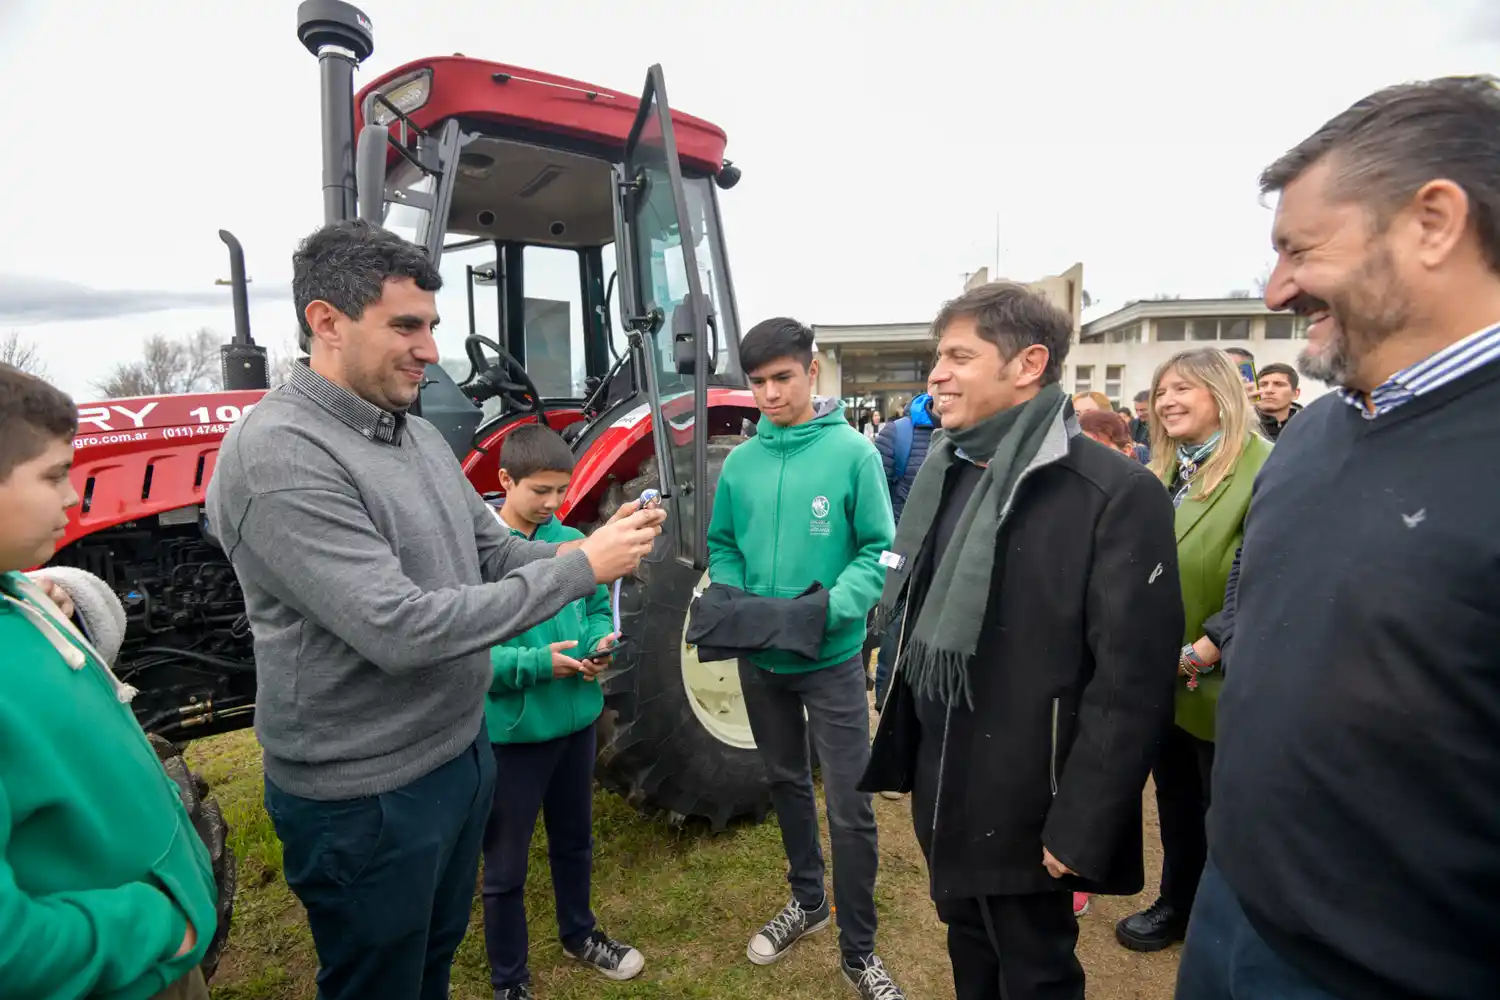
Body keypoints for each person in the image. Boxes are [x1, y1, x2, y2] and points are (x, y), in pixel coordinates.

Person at [205, 220, 666, 1000]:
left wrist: (582, 551)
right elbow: (399, 628)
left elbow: (489, 553)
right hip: (367, 796)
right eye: (405, 327)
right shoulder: (280, 451)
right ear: (326, 322)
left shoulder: (413, 435)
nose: (429, 350)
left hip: (459, 756)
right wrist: (582, 568)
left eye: (432, 327)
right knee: (379, 982)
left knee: (434, 961)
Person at [1177, 75, 1500, 1000]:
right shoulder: (1314, 435)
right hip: (1234, 913)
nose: (1276, 287)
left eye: (1299, 250)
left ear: (1434, 222)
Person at [860, 283, 1183, 1000]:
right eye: (935, 357)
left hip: (1033, 798)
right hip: (948, 785)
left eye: (956, 356)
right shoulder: (949, 469)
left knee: (1034, 973)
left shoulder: (1116, 493)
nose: (935, 373)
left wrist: (1084, 823)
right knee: (970, 954)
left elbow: (1131, 683)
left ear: (1028, 362)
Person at [0, 364, 219, 1000]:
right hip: (116, 968)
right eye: (50, 476)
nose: (72, 498)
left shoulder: (20, 592)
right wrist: (156, 928)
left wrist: (67, 591)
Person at [705, 317, 904, 1000]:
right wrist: (736, 601)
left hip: (832, 658)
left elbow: (880, 549)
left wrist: (830, 610)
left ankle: (860, 952)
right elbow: (723, 543)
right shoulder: (740, 462)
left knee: (850, 806)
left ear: (810, 372)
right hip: (762, 660)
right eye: (757, 382)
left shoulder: (853, 453)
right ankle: (808, 902)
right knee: (786, 783)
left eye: (782, 378)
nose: (769, 394)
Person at [1113, 349, 1272, 955]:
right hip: (1165, 677)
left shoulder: (1263, 469)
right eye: (1160, 391)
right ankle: (1178, 902)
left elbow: (1266, 573)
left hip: (1220, 677)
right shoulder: (1165, 471)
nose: (1166, 401)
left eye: (1183, 388)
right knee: (1176, 802)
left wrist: (1205, 648)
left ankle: (1225, 921)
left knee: (1223, 811)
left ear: (1222, 394)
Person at [479, 425, 645, 1000]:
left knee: (575, 841)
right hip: (514, 737)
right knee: (504, 869)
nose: (553, 504)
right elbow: (468, 655)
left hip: (576, 726)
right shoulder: (477, 555)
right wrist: (534, 665)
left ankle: (581, 934)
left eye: (561, 491)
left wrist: (601, 643)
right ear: (504, 481)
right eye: (541, 492)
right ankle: (510, 979)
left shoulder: (574, 540)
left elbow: (599, 606)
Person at [871, 389, 938, 710]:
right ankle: (886, 713)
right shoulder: (899, 435)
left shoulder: (979, 437)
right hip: (902, 565)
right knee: (893, 645)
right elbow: (872, 505)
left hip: (950, 568)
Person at [1253, 362, 1303, 439]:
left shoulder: (1309, 427)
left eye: (1279, 384)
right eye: (1263, 384)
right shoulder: (1240, 426)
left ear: (1295, 393)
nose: (1269, 390)